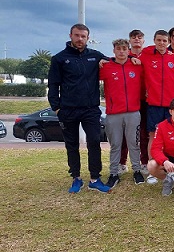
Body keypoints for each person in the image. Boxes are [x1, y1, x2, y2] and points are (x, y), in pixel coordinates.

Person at [48, 23, 110, 193]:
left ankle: (95, 179)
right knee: (72, 145)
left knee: (94, 142)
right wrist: (57, 108)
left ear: (88, 38)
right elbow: (53, 85)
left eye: (83, 36)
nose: (80, 39)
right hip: (68, 110)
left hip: (90, 109)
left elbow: (115, 61)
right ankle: (76, 178)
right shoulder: (59, 59)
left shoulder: (95, 56)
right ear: (71, 36)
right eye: (77, 35)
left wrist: (111, 60)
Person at [100, 38, 144, 188]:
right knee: (115, 145)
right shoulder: (106, 66)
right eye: (118, 49)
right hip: (113, 114)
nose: (121, 52)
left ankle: (137, 170)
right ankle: (114, 173)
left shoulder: (136, 65)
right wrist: (101, 61)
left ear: (128, 50)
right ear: (114, 50)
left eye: (124, 49)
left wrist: (133, 58)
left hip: (133, 113)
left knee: (134, 144)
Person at [139, 30, 174, 183]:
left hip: (171, 105)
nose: (162, 43)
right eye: (159, 40)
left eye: (164, 40)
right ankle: (152, 169)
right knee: (153, 136)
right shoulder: (146, 55)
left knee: (171, 137)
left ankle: (171, 169)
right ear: (154, 40)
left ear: (168, 41)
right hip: (154, 104)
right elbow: (133, 56)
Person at [118, 29, 150, 179]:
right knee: (125, 133)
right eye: (133, 37)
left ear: (144, 40)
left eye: (139, 37)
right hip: (129, 100)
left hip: (146, 100)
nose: (137, 39)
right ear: (129, 40)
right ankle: (121, 162)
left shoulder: (149, 55)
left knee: (144, 133)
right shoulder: (124, 55)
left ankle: (145, 162)